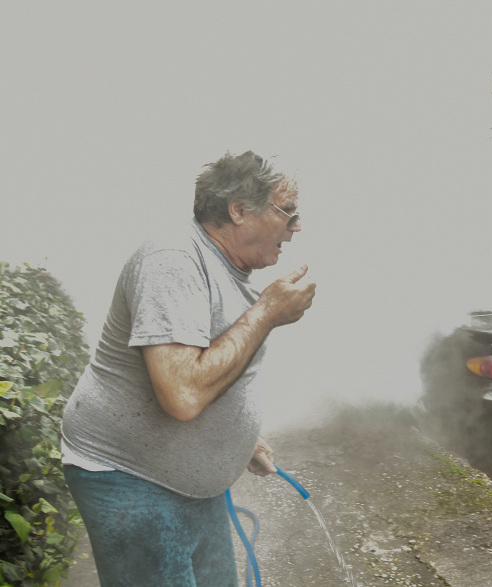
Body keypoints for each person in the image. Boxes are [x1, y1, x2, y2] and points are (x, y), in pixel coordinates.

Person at [61, 150, 316, 585]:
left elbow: (209, 360)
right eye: (286, 213)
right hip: (131, 475)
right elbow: (182, 395)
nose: (296, 227)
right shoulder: (172, 260)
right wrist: (268, 311)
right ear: (238, 209)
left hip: (193, 483)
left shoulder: (224, 268)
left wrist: (238, 438)